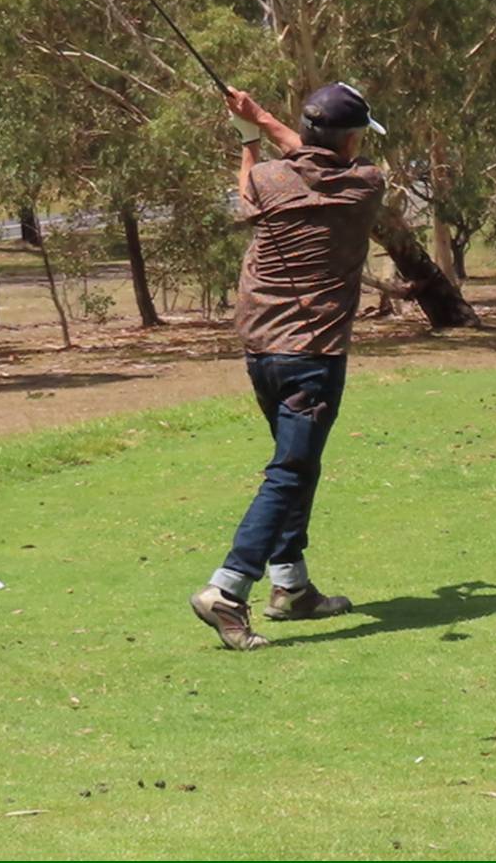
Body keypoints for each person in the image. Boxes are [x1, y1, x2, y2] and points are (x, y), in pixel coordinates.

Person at [189, 82, 391, 650]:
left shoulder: (268, 180)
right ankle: (227, 590)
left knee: (296, 463)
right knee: (291, 473)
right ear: (353, 140)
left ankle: (291, 586)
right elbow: (317, 154)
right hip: (314, 355)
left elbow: (258, 184)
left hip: (261, 352)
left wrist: (250, 134)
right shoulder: (365, 185)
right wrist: (261, 125)